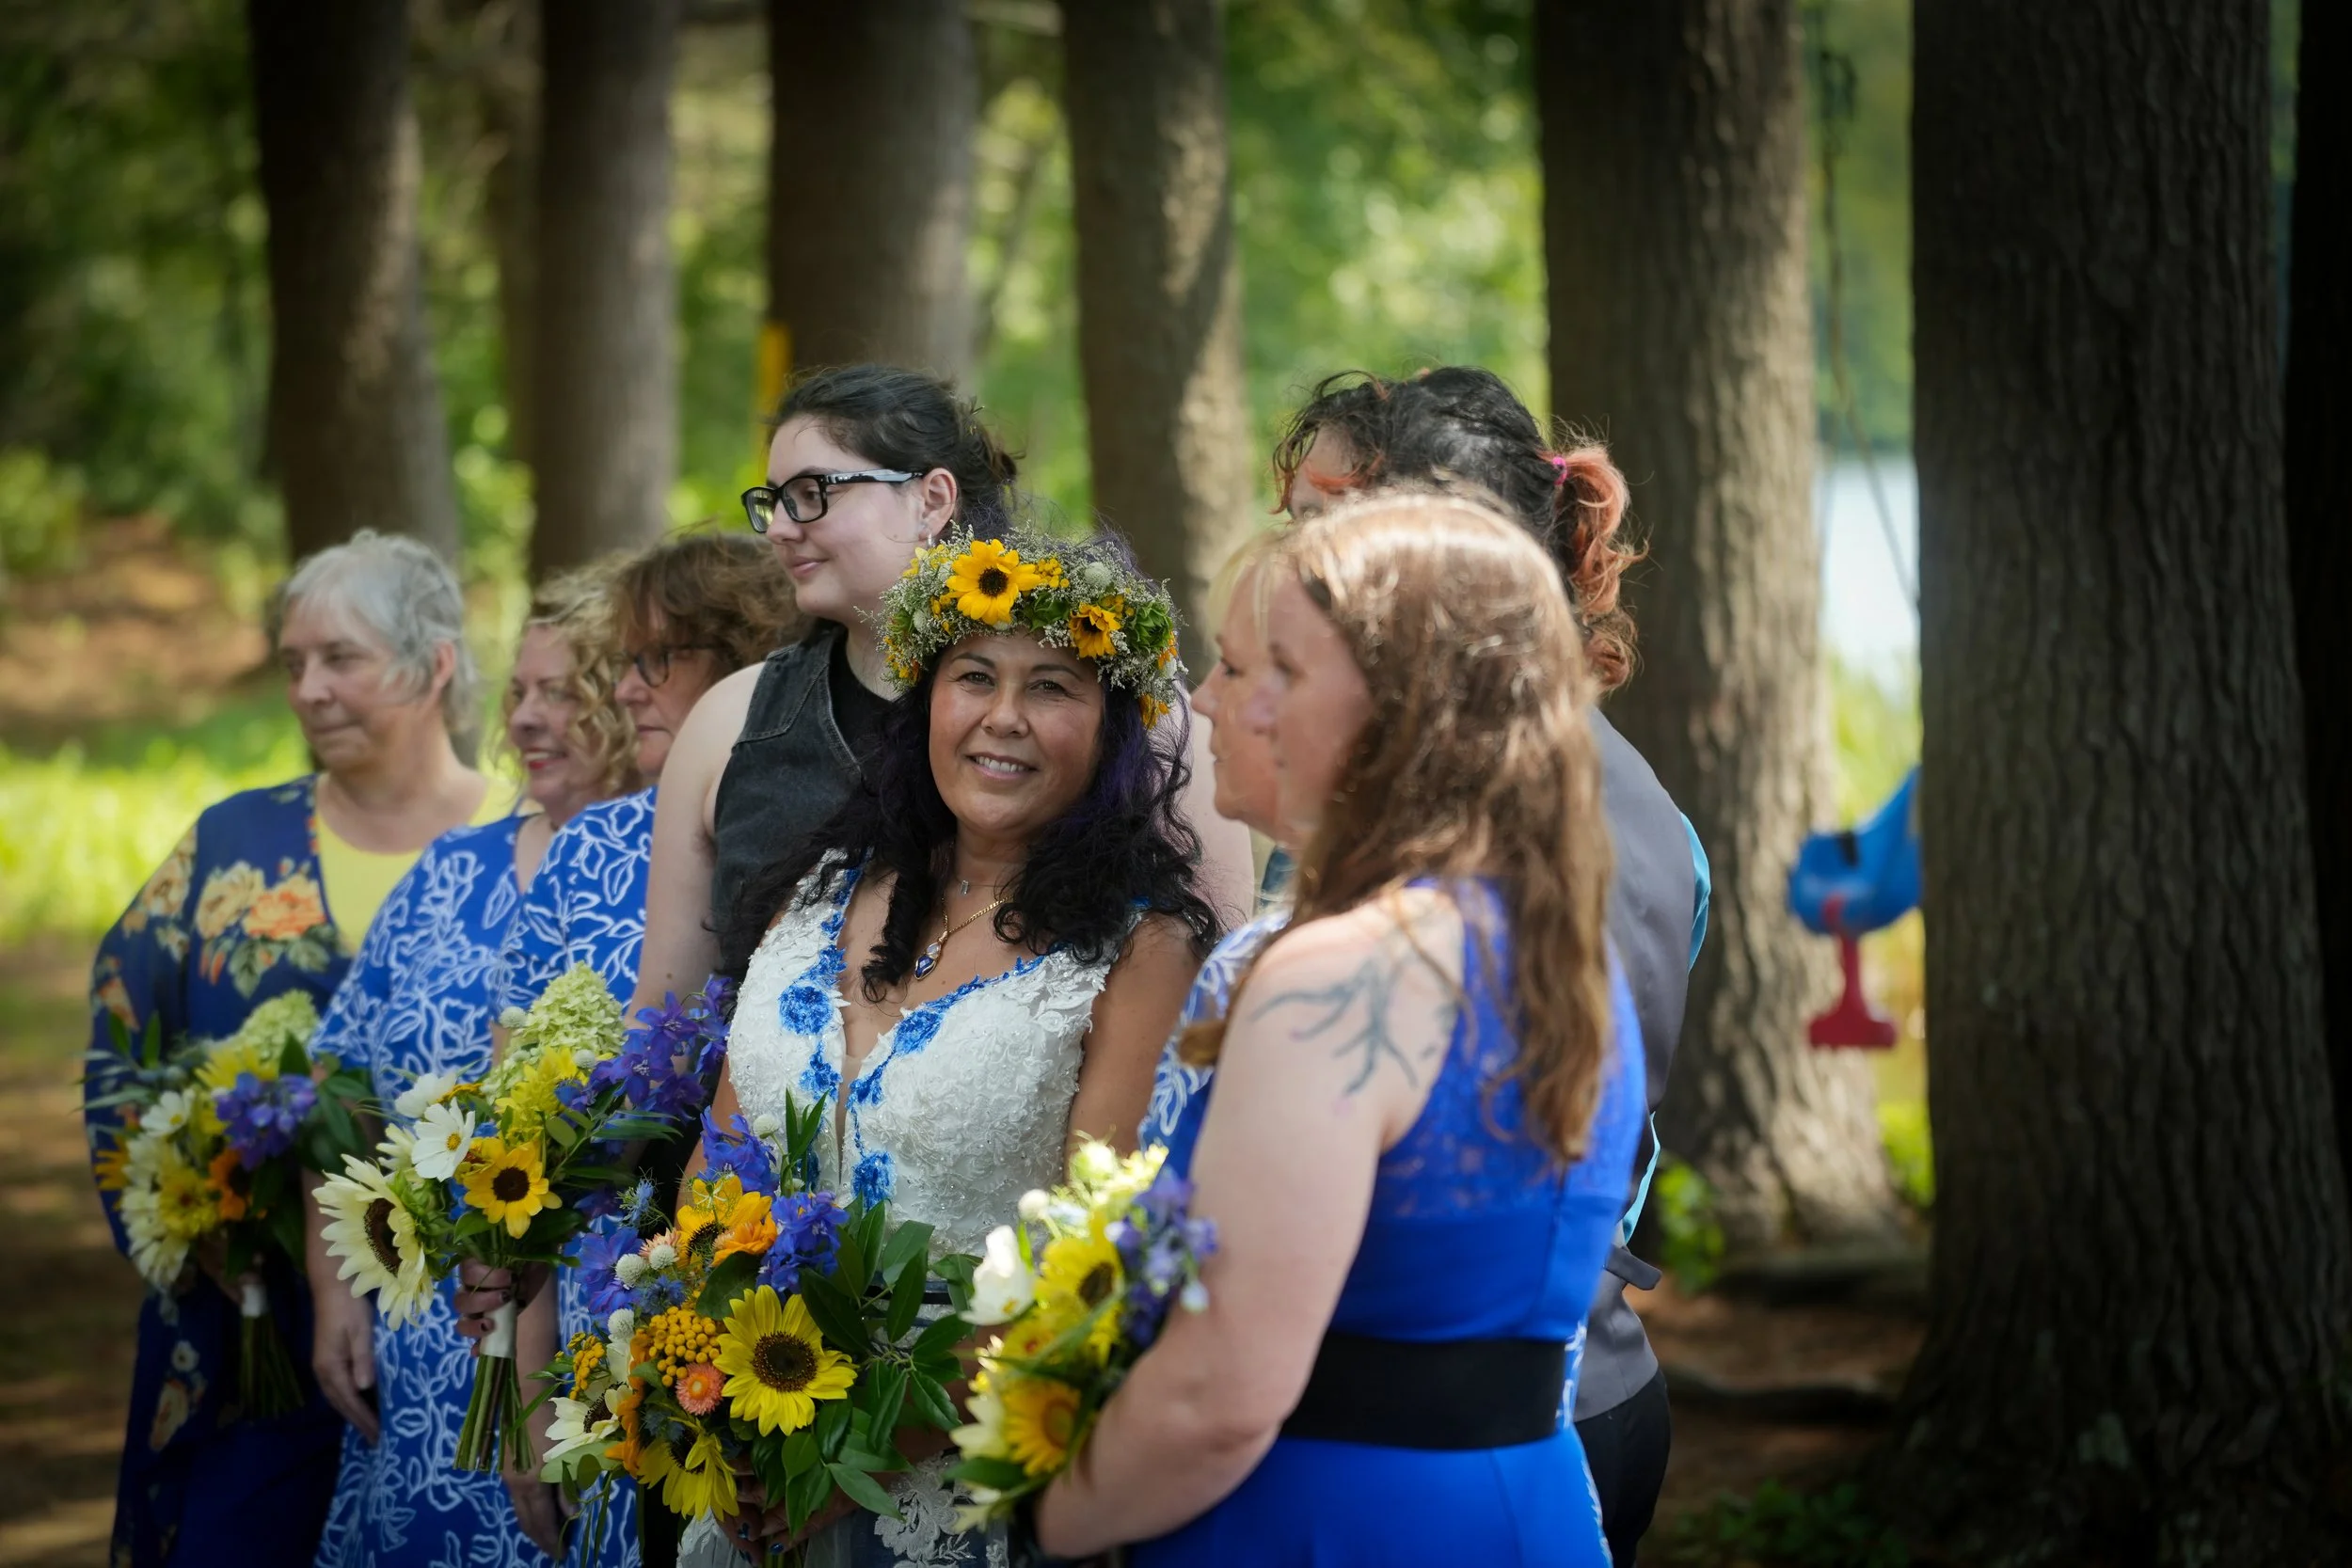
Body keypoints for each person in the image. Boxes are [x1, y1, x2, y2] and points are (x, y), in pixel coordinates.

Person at [1034, 491, 1644, 1566]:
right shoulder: (1558, 947)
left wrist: (1048, 1515)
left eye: (1268, 669)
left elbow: (1221, 1391)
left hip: (1328, 1522)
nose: (1218, 702)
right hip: (1521, 1509)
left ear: (1396, 707)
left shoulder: (1333, 972)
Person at [686, 525, 1215, 1566]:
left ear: (1112, 728)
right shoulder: (821, 889)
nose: (1002, 717)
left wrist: (861, 1449)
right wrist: (705, 1367)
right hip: (757, 1454)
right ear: (927, 698)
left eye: (1054, 685)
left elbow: (1087, 1271)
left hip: (958, 1483)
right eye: (973, 675)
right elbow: (719, 1155)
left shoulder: (1141, 954)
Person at [1272, 365, 1707, 1562]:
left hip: (1515, 1425)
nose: (1301, 567)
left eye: (1332, 529)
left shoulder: (1544, 810)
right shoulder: (1504, 777)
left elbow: (1523, 1141)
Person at [83, 531, 501, 1568]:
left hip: (473, 1330)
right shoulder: (232, 845)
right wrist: (191, 1226)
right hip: (254, 1329)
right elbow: (120, 1044)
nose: (309, 688)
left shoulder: (531, 835)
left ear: (433, 663)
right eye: (292, 663)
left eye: (341, 658)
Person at [625, 365, 1251, 1051]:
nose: (777, 528)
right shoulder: (731, 720)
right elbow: (666, 1020)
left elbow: (1214, 993)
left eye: (811, 493)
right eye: (771, 499)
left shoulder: (1139, 711)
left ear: (931, 499)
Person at [307, 570, 640, 1568]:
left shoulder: (671, 871)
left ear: (627, 699)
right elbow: (340, 1078)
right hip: (427, 1346)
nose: (528, 718)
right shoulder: (450, 869)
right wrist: (335, 1294)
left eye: (560, 693)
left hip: (597, 1342)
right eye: (519, 693)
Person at [484, 531, 799, 1562]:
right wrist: (528, 1388)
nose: (625, 687)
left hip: (767, 1294)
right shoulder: (585, 849)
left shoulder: (816, 830)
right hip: (595, 1295)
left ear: (743, 655)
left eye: (653, 657)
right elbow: (522, 1129)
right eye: (622, 660)